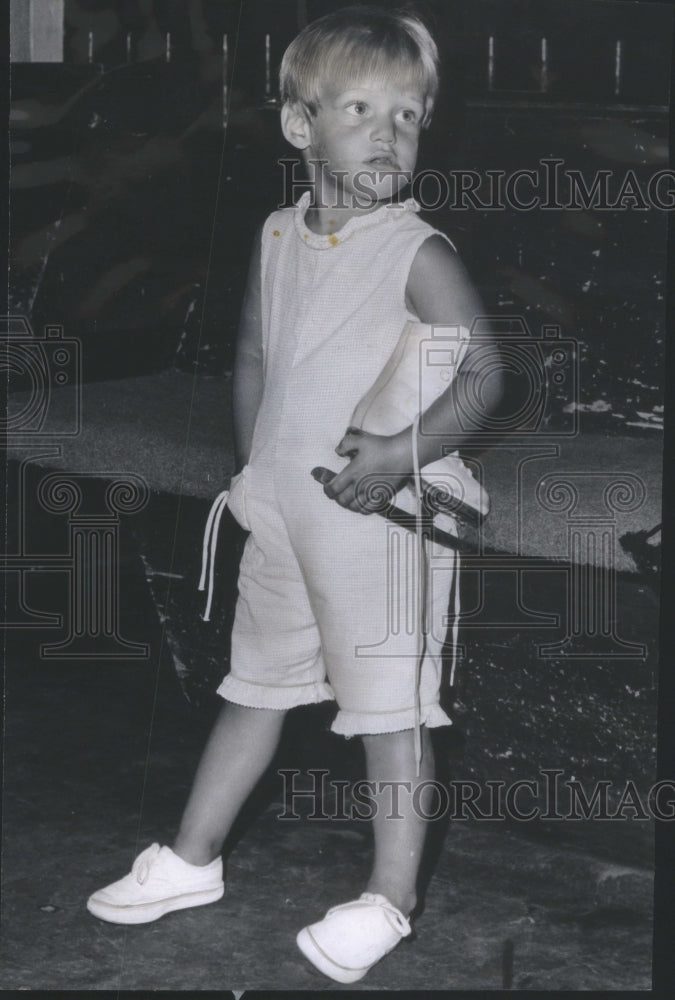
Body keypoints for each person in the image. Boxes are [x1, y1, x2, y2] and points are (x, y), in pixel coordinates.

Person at [86, 5, 504, 984]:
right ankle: (191, 859)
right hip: (282, 507)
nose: (389, 133)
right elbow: (251, 355)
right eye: (362, 109)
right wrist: (255, 468)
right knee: (253, 686)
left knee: (389, 712)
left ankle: (390, 899)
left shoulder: (417, 253)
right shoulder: (278, 232)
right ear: (298, 125)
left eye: (408, 115)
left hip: (383, 520)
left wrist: (400, 455)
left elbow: (486, 374)